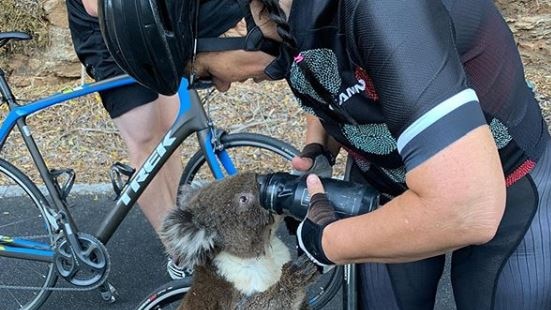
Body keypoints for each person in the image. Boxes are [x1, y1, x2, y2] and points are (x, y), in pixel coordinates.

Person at [98, 0, 551, 309]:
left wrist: (323, 243)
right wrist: (320, 146)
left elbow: (467, 208)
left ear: (233, 25)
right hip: (385, 183)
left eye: (198, 73)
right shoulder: (283, 18)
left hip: (507, 186)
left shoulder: (383, 9)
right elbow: (327, 71)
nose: (216, 85)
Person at [65, 0, 185, 278]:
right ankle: (178, 250)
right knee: (143, 141)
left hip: (145, 32)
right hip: (108, 39)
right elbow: (98, 7)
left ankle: (183, 227)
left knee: (170, 132)